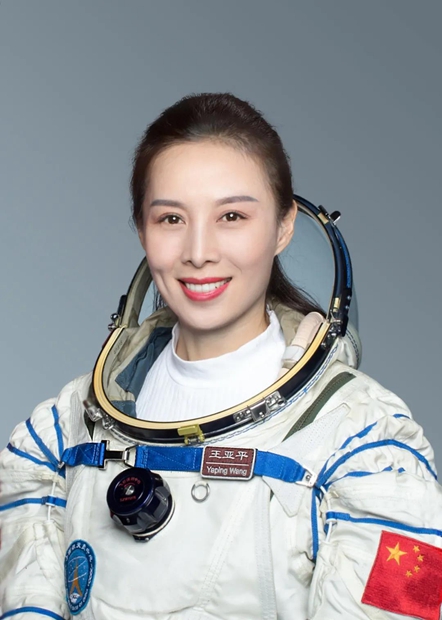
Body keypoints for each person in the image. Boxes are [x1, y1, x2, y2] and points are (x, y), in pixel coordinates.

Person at [1, 93, 442, 620]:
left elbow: (409, 603)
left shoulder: (370, 445)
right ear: (142, 230)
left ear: (283, 226)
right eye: (171, 219)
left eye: (231, 216)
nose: (198, 252)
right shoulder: (62, 431)